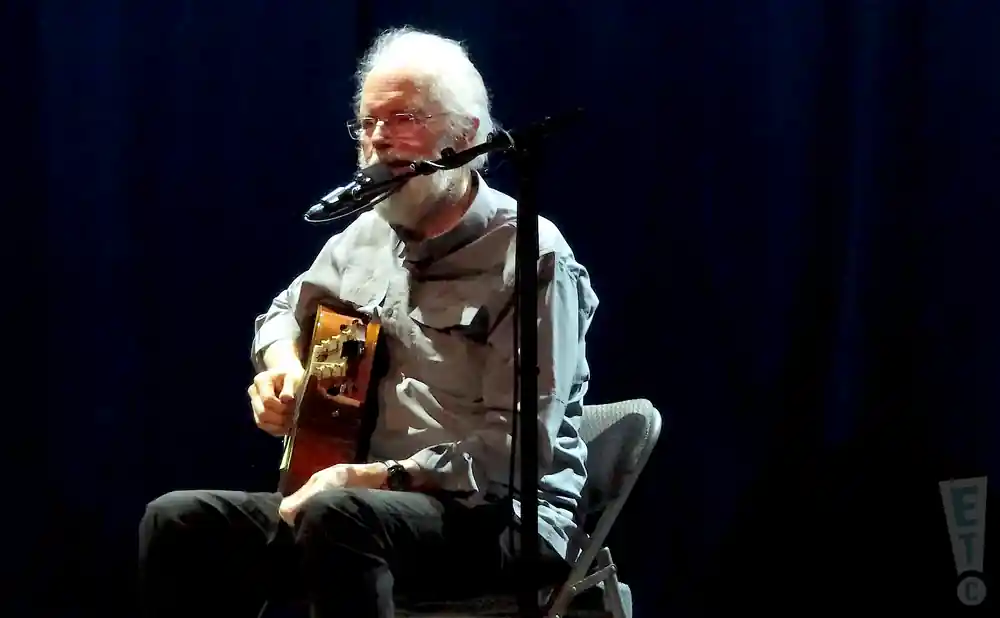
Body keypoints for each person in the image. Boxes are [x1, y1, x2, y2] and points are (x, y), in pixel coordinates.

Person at [138, 26, 599, 618]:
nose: (379, 140)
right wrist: (286, 370)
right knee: (178, 519)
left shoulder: (534, 256)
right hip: (365, 510)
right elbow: (280, 317)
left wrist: (370, 478)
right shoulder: (363, 236)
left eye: (404, 117)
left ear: (468, 136)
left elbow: (511, 452)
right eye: (367, 123)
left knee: (339, 516)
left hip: (501, 517)